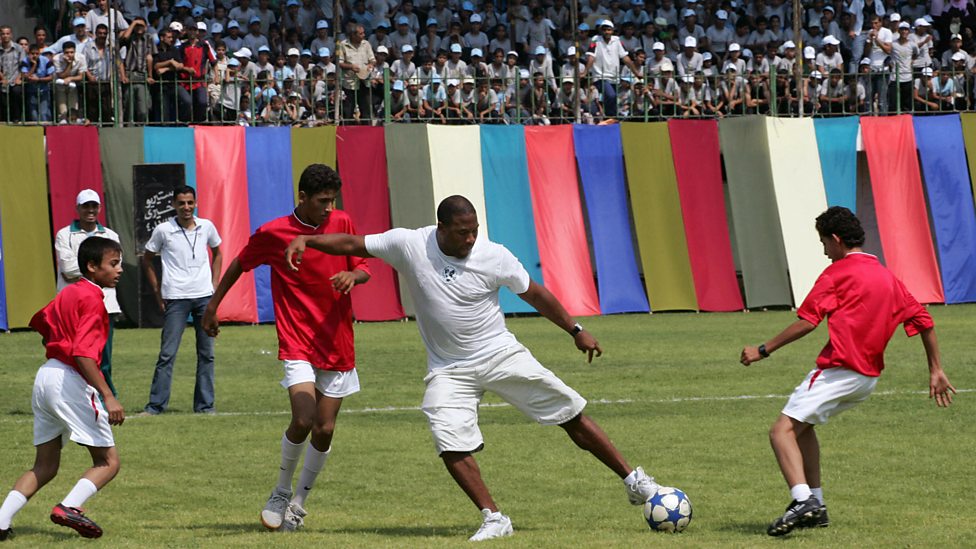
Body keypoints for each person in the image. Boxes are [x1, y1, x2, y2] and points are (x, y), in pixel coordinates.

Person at [284, 195, 663, 542]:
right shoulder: (410, 244)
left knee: (569, 411)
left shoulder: (494, 255)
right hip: (448, 369)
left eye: (474, 231)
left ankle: (635, 482)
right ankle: (494, 518)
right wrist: (308, 240)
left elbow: (534, 293)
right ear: (441, 227)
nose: (470, 239)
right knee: (446, 436)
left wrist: (575, 330)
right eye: (462, 232)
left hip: (499, 354)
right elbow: (354, 243)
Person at [739, 206, 956, 537]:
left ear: (837, 240)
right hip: (867, 379)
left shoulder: (837, 274)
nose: (825, 252)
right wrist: (936, 369)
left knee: (780, 432)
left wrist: (762, 350)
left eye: (824, 243)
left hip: (839, 371)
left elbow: (806, 321)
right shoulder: (888, 277)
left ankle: (802, 501)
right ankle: (819, 505)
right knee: (803, 427)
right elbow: (925, 322)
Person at [202, 165, 370, 532]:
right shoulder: (273, 232)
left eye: (332, 200)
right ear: (303, 198)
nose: (329, 208)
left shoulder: (342, 220)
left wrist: (351, 276)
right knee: (303, 419)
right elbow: (238, 265)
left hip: (338, 340)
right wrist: (213, 306)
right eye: (322, 201)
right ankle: (279, 491)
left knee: (324, 429)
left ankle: (298, 503)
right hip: (297, 340)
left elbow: (364, 267)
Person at [0, 237, 125, 541]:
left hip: (45, 377)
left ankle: (1, 520)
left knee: (45, 464)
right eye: (113, 263)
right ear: (92, 267)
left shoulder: (68, 292)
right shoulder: (94, 299)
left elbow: (42, 322)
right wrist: (107, 395)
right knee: (108, 462)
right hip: (69, 378)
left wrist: (58, 343)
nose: (119, 269)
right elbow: (83, 353)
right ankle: (69, 507)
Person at [141, 185, 222, 415]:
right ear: (174, 205)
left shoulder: (206, 226)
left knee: (207, 353)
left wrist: (215, 284)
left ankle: (205, 406)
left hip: (204, 297)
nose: (186, 207)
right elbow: (147, 260)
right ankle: (155, 406)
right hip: (175, 298)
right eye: (181, 203)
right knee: (167, 353)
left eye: (190, 202)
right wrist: (157, 290)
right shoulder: (163, 230)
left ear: (196, 203)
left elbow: (218, 252)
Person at [54, 189, 122, 396]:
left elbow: (117, 268)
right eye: (86, 206)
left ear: (100, 208)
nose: (90, 210)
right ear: (78, 208)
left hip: (105, 304)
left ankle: (105, 397)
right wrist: (95, 270)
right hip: (73, 306)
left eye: (94, 206)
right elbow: (67, 269)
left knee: (103, 357)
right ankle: (76, 396)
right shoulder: (65, 234)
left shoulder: (110, 235)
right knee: (72, 354)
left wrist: (81, 270)